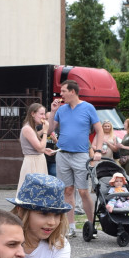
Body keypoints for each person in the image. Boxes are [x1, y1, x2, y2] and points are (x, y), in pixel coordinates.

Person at [48, 80, 102, 238]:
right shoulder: (61, 109)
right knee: (67, 190)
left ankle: (91, 226)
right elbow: (50, 129)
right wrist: (52, 112)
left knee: (84, 191)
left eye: (63, 91)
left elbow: (99, 131)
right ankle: (71, 227)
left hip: (81, 155)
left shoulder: (88, 107)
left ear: (72, 92)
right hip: (63, 154)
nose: (61, 94)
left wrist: (97, 150)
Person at [17, 104, 53, 191]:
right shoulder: (27, 129)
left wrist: (44, 150)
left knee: (39, 191)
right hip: (32, 162)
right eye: (41, 114)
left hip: (37, 160)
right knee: (31, 191)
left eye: (44, 114)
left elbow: (37, 147)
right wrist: (45, 131)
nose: (44, 117)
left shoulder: (32, 128)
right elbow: (40, 148)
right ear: (33, 114)